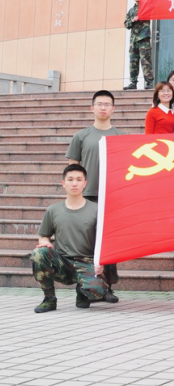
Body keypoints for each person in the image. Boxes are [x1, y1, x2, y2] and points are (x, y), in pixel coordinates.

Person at [65, 90, 123, 303]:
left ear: (113, 109)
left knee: (109, 241)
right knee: (86, 242)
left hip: (112, 196)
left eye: (107, 104)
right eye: (99, 104)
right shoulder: (81, 136)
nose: (103, 107)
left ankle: (108, 287)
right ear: (92, 108)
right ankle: (85, 287)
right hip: (87, 196)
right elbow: (72, 169)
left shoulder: (121, 136)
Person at [31, 164, 110, 313]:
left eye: (79, 180)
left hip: (87, 262)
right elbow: (43, 236)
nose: (74, 183)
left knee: (98, 291)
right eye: (70, 179)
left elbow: (106, 240)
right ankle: (49, 299)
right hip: (63, 262)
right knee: (38, 253)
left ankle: (83, 291)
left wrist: (101, 263)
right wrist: (45, 243)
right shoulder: (53, 210)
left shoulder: (97, 210)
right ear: (63, 183)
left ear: (85, 183)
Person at [124, 0, 153, 90]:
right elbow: (126, 24)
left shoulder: (145, 7)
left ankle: (149, 82)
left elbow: (148, 14)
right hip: (133, 40)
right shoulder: (131, 10)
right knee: (133, 61)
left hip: (143, 38)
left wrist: (139, 17)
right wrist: (132, 20)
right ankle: (133, 82)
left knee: (145, 61)